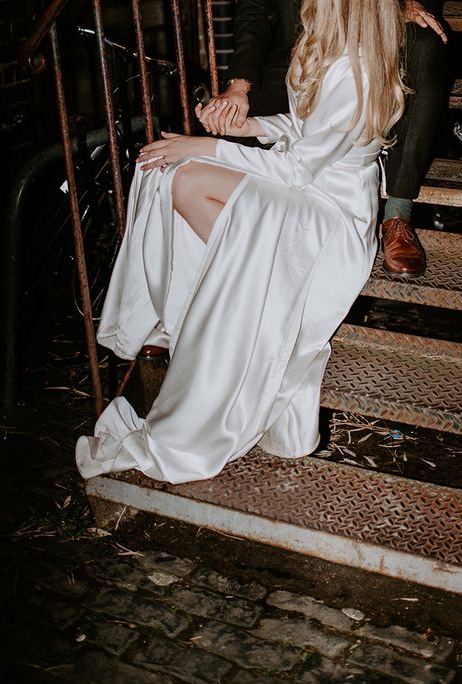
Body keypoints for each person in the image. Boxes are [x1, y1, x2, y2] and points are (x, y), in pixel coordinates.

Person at [75, 0, 408, 484]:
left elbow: (296, 166)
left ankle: (238, 297)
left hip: (331, 215)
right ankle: (235, 293)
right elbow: (299, 130)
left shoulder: (356, 67)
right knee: (169, 175)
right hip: (303, 191)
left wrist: (206, 145)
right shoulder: (327, 48)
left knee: (187, 176)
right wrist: (247, 128)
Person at [200, 0, 448, 279]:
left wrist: (388, 8)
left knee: (426, 44)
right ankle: (247, 264)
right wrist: (238, 85)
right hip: (300, 52)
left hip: (370, 31)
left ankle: (398, 211)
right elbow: (254, 8)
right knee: (222, 139)